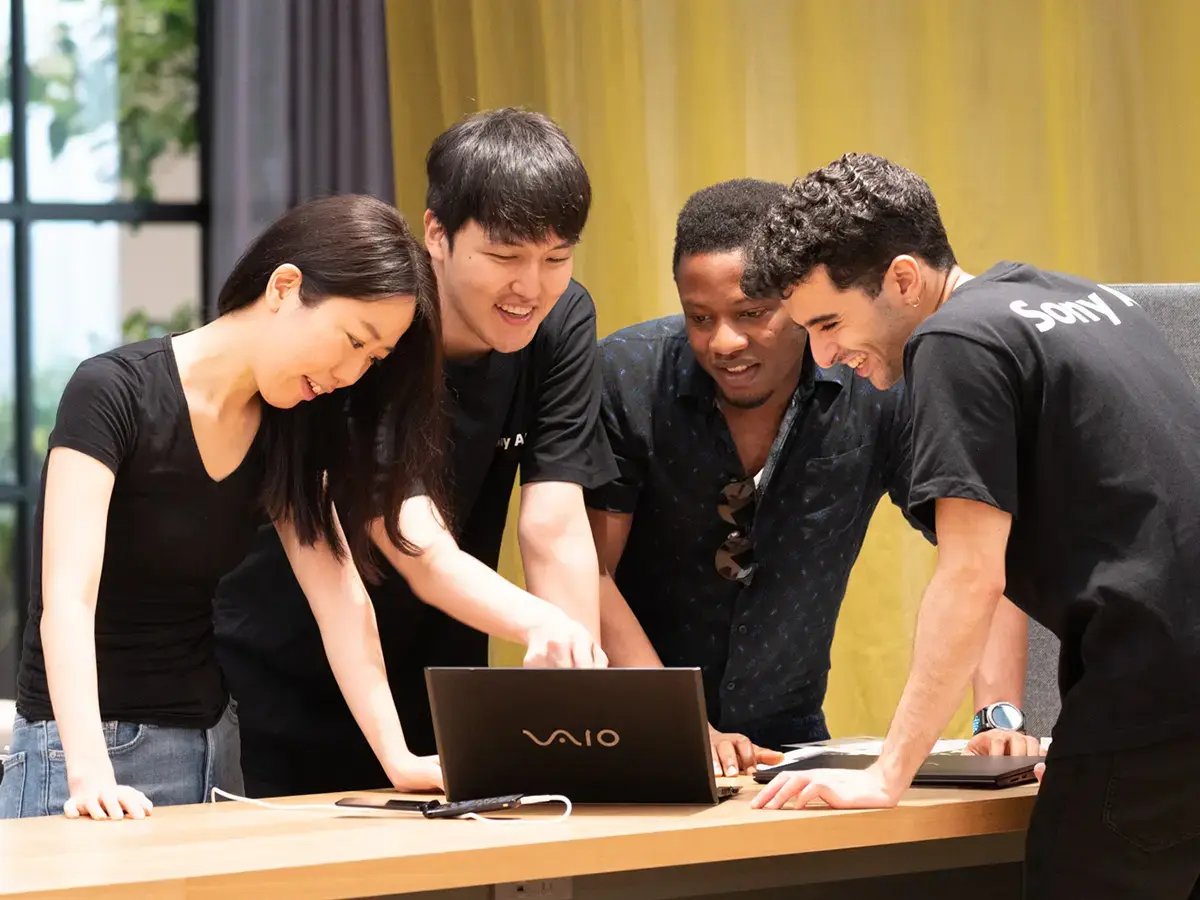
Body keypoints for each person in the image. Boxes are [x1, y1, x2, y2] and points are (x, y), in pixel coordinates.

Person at [744, 153, 1200, 899]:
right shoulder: (1086, 303)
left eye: (828, 323)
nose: (824, 356)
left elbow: (971, 574)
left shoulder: (951, 342)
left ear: (902, 279)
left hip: (1154, 703)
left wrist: (888, 773)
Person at [0, 195, 448, 820]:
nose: (350, 373)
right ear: (285, 286)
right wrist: (89, 774)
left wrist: (398, 758)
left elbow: (340, 598)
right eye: (352, 340)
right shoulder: (111, 392)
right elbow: (66, 600)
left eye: (371, 360)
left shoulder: (293, 427)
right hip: (76, 753)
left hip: (212, 748)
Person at [215, 108, 617, 797]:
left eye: (556, 258)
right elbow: (414, 541)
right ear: (438, 233)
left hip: (440, 680)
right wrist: (538, 622)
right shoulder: (377, 332)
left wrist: (579, 719)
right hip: (287, 674)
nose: (532, 287)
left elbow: (553, 525)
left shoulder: (562, 319)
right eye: (504, 256)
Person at [587, 179, 1038, 777]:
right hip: (631, 734)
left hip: (792, 745)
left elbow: (982, 552)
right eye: (700, 317)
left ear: (798, 303)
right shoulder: (623, 375)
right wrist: (679, 721)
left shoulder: (876, 386)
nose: (724, 341)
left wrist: (996, 716)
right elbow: (585, 572)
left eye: (752, 314)